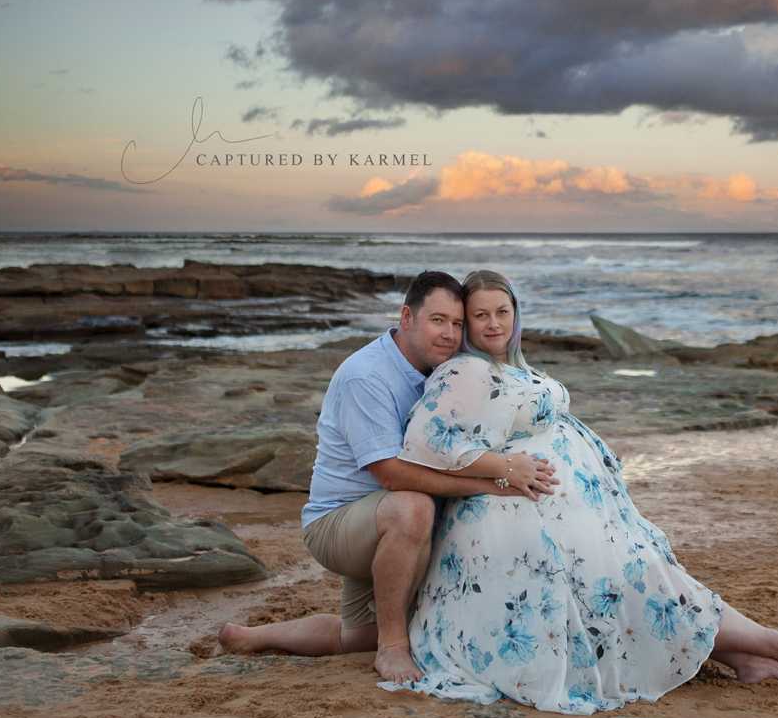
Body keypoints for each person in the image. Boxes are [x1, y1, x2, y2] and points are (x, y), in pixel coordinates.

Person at [385, 270, 778, 714]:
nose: (493, 323)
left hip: (565, 509)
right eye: (479, 315)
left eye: (503, 312)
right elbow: (428, 443)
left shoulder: (509, 365)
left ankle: (743, 654)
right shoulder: (465, 368)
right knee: (631, 574)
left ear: (517, 314)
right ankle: (762, 642)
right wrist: (503, 469)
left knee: (640, 568)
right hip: (511, 513)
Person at [213, 271, 558, 684]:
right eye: (437, 320)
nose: (449, 334)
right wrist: (496, 481)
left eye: (457, 323)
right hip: (339, 522)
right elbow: (393, 475)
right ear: (407, 317)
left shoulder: (439, 369)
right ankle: (392, 649)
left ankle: (245, 636)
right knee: (414, 507)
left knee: (354, 637)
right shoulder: (368, 376)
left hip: (380, 519)